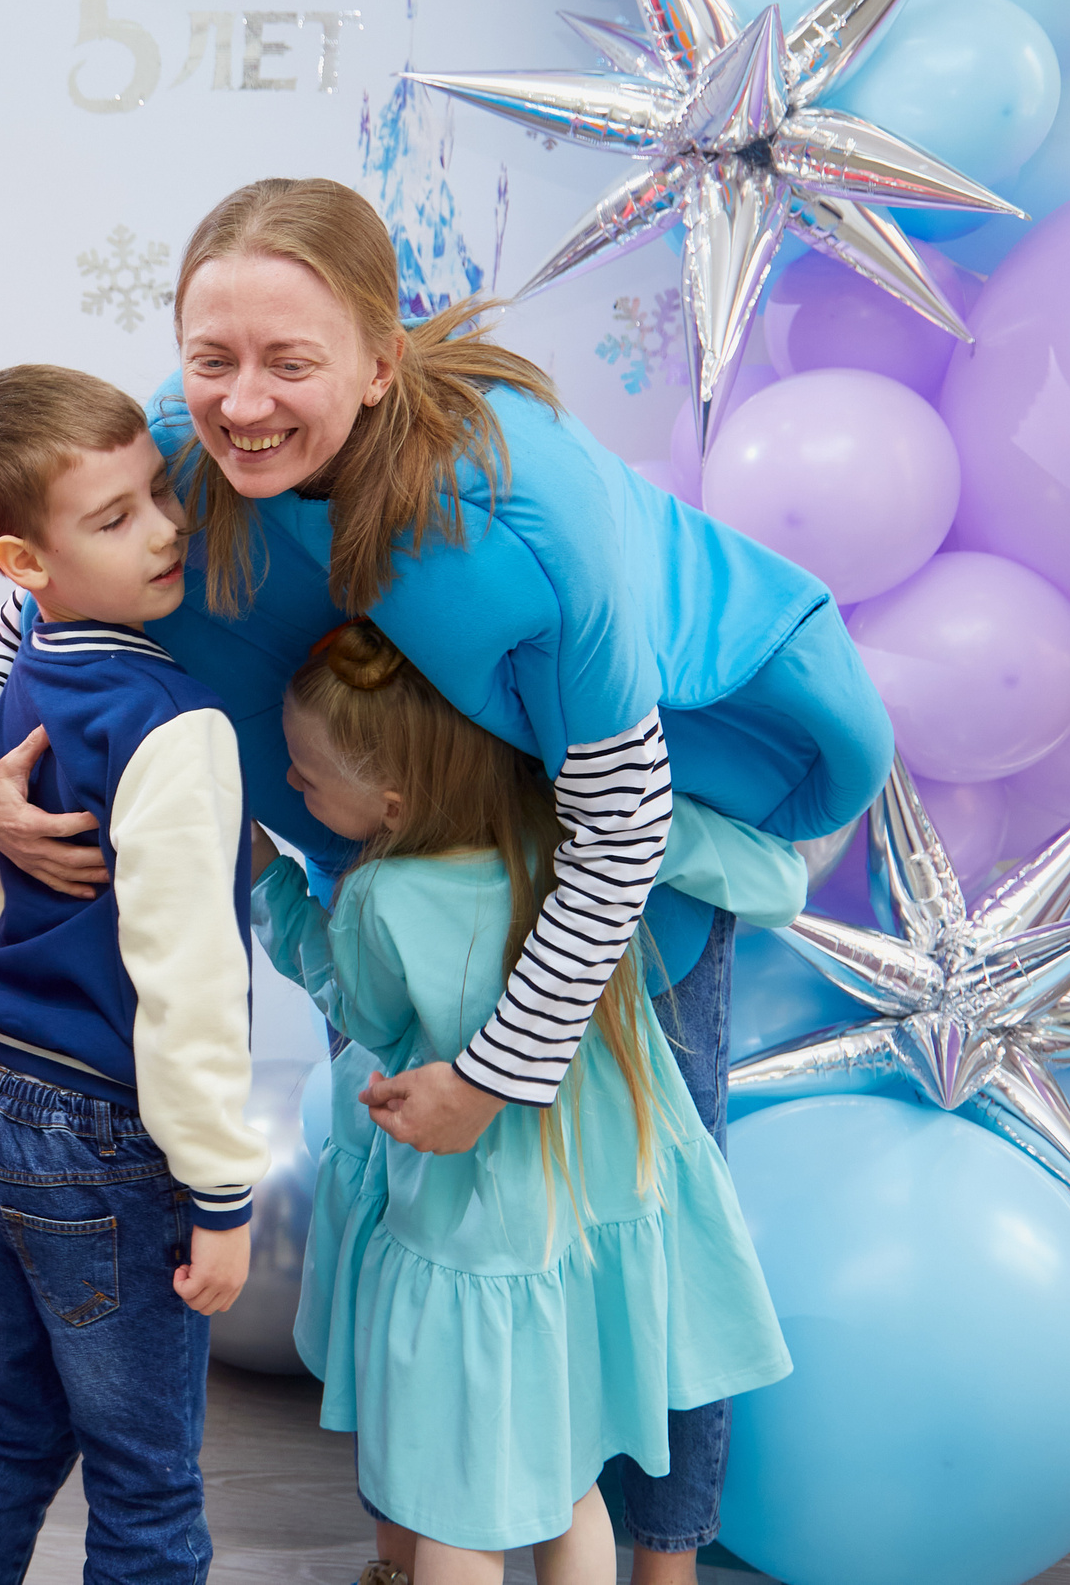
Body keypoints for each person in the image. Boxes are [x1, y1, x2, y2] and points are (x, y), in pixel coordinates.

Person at [0, 178, 891, 1573]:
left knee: (646, 1234)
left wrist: (499, 1071)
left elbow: (621, 824)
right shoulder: (174, 444)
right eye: (212, 357)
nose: (242, 399)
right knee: (416, 1232)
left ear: (383, 357)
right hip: (377, 888)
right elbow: (28, 594)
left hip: (602, 885)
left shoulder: (527, 510)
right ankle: (421, 1530)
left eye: (289, 360)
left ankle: (667, 1552)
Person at [255, 620, 797, 1583]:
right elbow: (771, 878)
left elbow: (365, 1017)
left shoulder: (380, 896)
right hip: (575, 1228)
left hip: (469, 1233)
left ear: (389, 802)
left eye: (306, 774)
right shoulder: (576, 854)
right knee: (567, 1480)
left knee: (454, 1499)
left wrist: (279, 894)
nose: (292, 785)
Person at [0, 366, 267, 1585]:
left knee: (20, 1417)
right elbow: (187, 986)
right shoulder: (177, 725)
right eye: (113, 521)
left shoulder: (36, 657)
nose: (167, 530)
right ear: (24, 560)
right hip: (101, 1130)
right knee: (148, 1484)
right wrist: (222, 1196)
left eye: (157, 497)